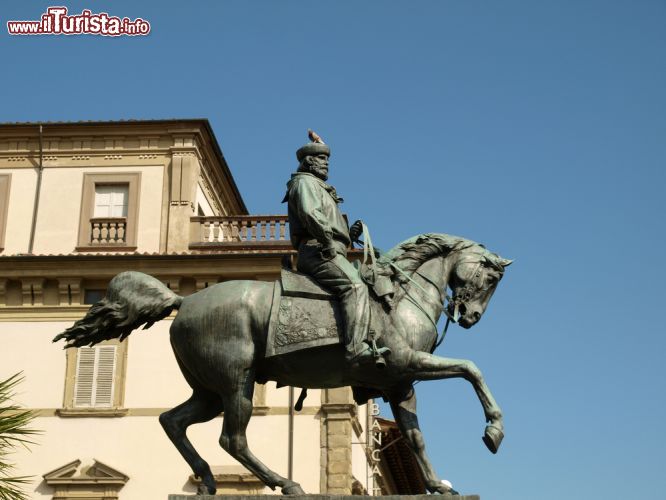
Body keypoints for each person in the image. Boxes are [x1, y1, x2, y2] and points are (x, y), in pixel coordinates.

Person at [282, 131, 390, 364]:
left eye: (327, 160)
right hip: (318, 250)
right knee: (356, 287)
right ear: (309, 162)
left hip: (328, 248)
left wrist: (347, 236)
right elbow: (311, 214)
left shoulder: (319, 187)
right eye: (322, 160)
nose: (326, 165)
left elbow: (325, 220)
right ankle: (356, 348)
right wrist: (329, 241)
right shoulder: (305, 183)